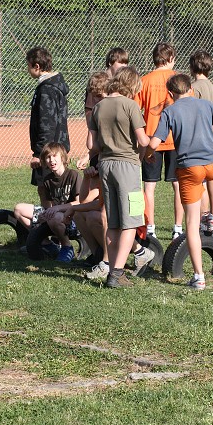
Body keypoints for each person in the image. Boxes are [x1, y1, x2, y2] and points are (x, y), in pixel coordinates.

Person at [146, 73, 213, 291]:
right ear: (191, 90)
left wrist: (147, 153)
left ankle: (199, 276)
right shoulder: (206, 105)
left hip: (190, 169)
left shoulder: (169, 111)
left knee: (192, 226)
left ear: (170, 94)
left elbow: (155, 142)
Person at [89, 66, 150, 288]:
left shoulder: (98, 106)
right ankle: (116, 273)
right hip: (128, 167)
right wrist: (147, 150)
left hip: (105, 165)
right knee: (131, 221)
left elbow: (91, 145)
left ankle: (113, 269)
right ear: (131, 86)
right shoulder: (130, 105)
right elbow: (142, 141)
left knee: (113, 222)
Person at [135, 42, 184, 240]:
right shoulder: (179, 80)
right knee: (178, 184)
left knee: (149, 186)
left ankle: (151, 227)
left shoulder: (144, 80)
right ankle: (178, 228)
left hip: (150, 139)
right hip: (175, 139)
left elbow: (135, 110)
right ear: (170, 58)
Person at [14, 142, 81, 263]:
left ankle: (67, 247)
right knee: (19, 209)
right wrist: (44, 215)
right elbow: (47, 205)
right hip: (54, 214)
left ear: (63, 158)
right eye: (48, 157)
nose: (51, 160)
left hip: (72, 217)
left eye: (55, 156)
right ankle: (47, 243)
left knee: (54, 217)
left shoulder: (73, 175)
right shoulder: (47, 180)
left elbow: (79, 202)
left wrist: (56, 209)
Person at [27, 46, 70, 205]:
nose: (28, 69)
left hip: (49, 150)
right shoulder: (54, 86)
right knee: (55, 188)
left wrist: (39, 153)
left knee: (45, 189)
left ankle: (51, 222)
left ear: (36, 66)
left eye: (29, 66)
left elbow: (47, 124)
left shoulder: (46, 89)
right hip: (58, 147)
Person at [189, 49, 213, 229]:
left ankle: (203, 216)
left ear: (192, 67)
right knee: (212, 175)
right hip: (211, 136)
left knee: (199, 180)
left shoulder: (194, 88)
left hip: (198, 137)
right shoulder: (211, 86)